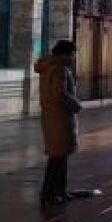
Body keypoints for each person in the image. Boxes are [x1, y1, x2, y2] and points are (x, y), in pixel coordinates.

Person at [36, 40, 82, 206]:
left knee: (58, 157)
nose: (73, 57)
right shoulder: (60, 69)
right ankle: (52, 192)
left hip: (51, 116)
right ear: (65, 53)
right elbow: (59, 94)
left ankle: (58, 191)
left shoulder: (48, 68)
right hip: (61, 118)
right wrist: (76, 104)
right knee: (58, 158)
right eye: (72, 53)